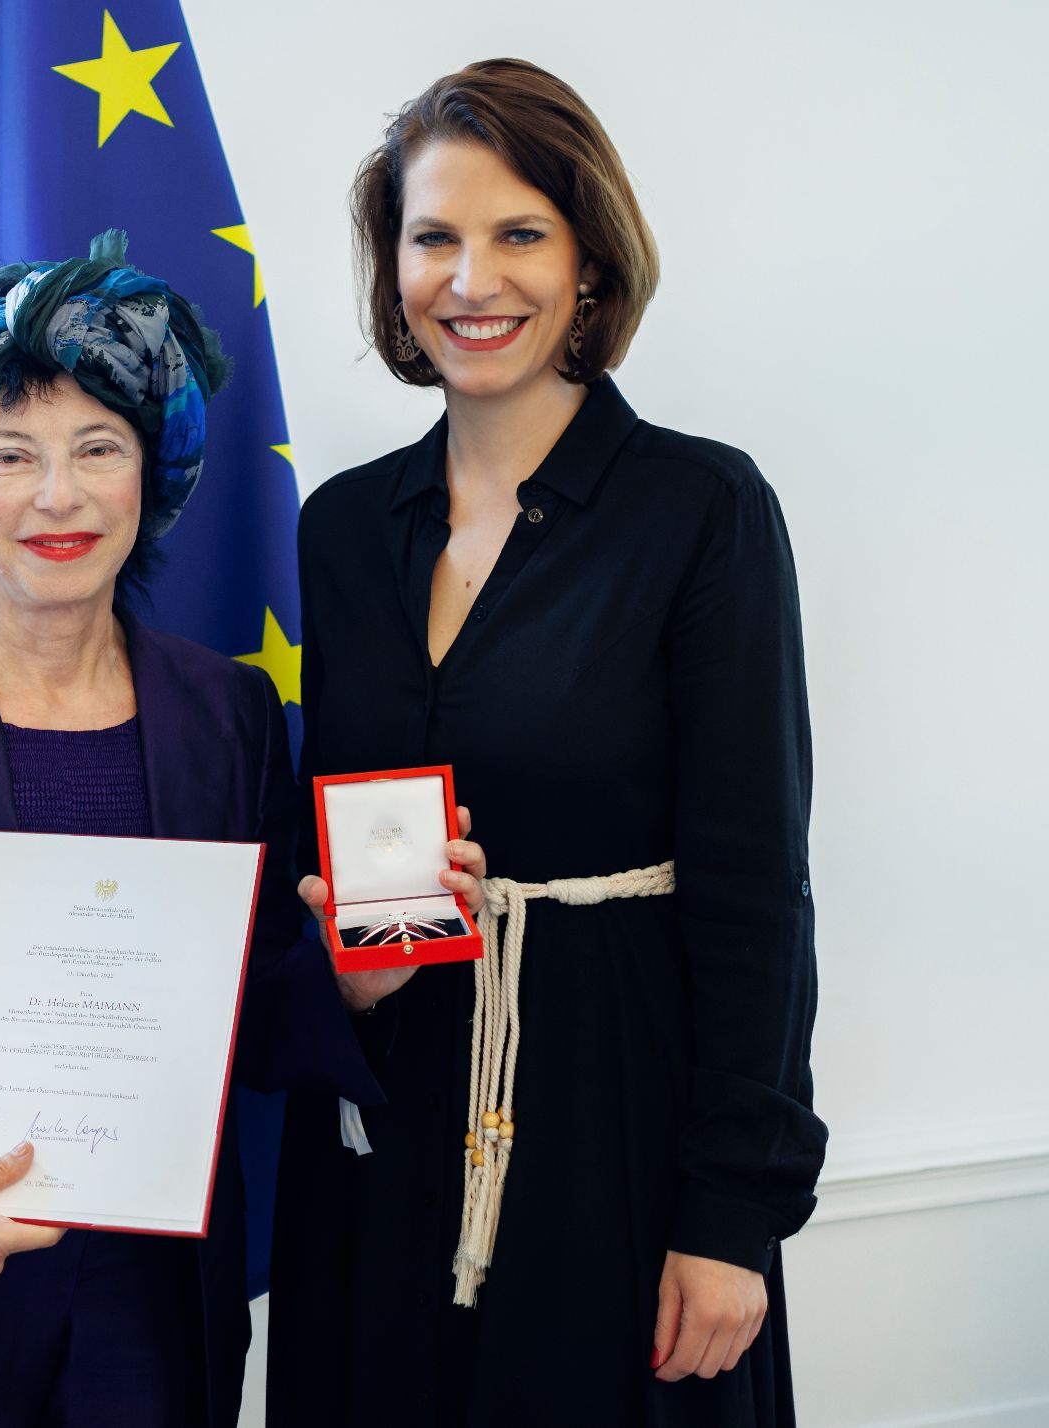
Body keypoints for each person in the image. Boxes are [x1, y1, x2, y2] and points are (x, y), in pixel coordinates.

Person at [0, 234, 476, 1427]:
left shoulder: (228, 717)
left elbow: (257, 1005)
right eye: (10, 454)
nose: (56, 496)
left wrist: (353, 978)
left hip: (147, 1324)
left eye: (97, 450)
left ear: (149, 480)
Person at [268, 60, 827, 1426]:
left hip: (613, 1122)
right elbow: (323, 834)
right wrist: (341, 982)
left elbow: (758, 892)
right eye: (433, 238)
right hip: (384, 1126)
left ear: (589, 262)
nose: (474, 278)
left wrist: (731, 1215)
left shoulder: (703, 510)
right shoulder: (340, 530)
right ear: (390, 267)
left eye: (520, 234)